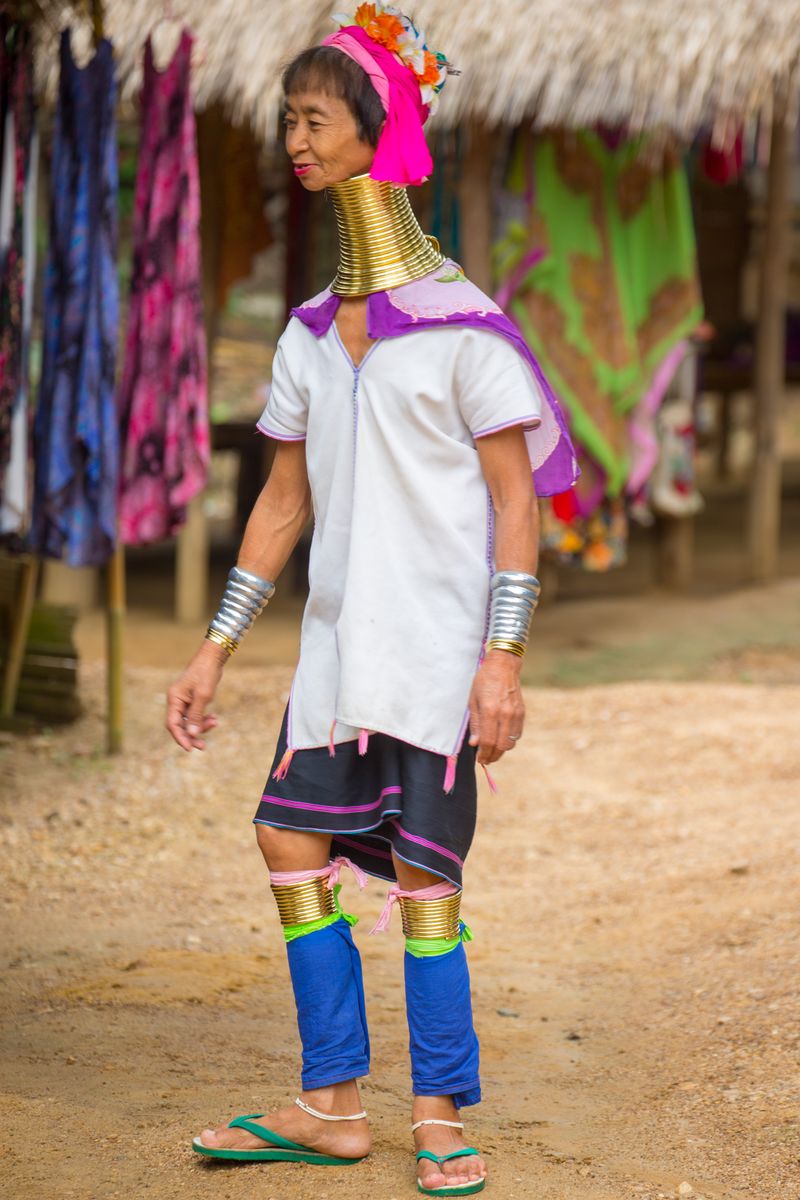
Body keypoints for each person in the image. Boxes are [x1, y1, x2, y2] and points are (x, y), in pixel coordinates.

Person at [166, 5, 577, 1195]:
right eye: (288, 121)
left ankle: (441, 1118)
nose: (294, 140)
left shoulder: (465, 335)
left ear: (376, 134)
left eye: (313, 119)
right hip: (338, 658)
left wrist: (500, 662)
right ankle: (331, 1104)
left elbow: (516, 506)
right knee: (285, 836)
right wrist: (214, 649)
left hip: (437, 656)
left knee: (424, 888)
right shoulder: (306, 336)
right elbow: (283, 503)